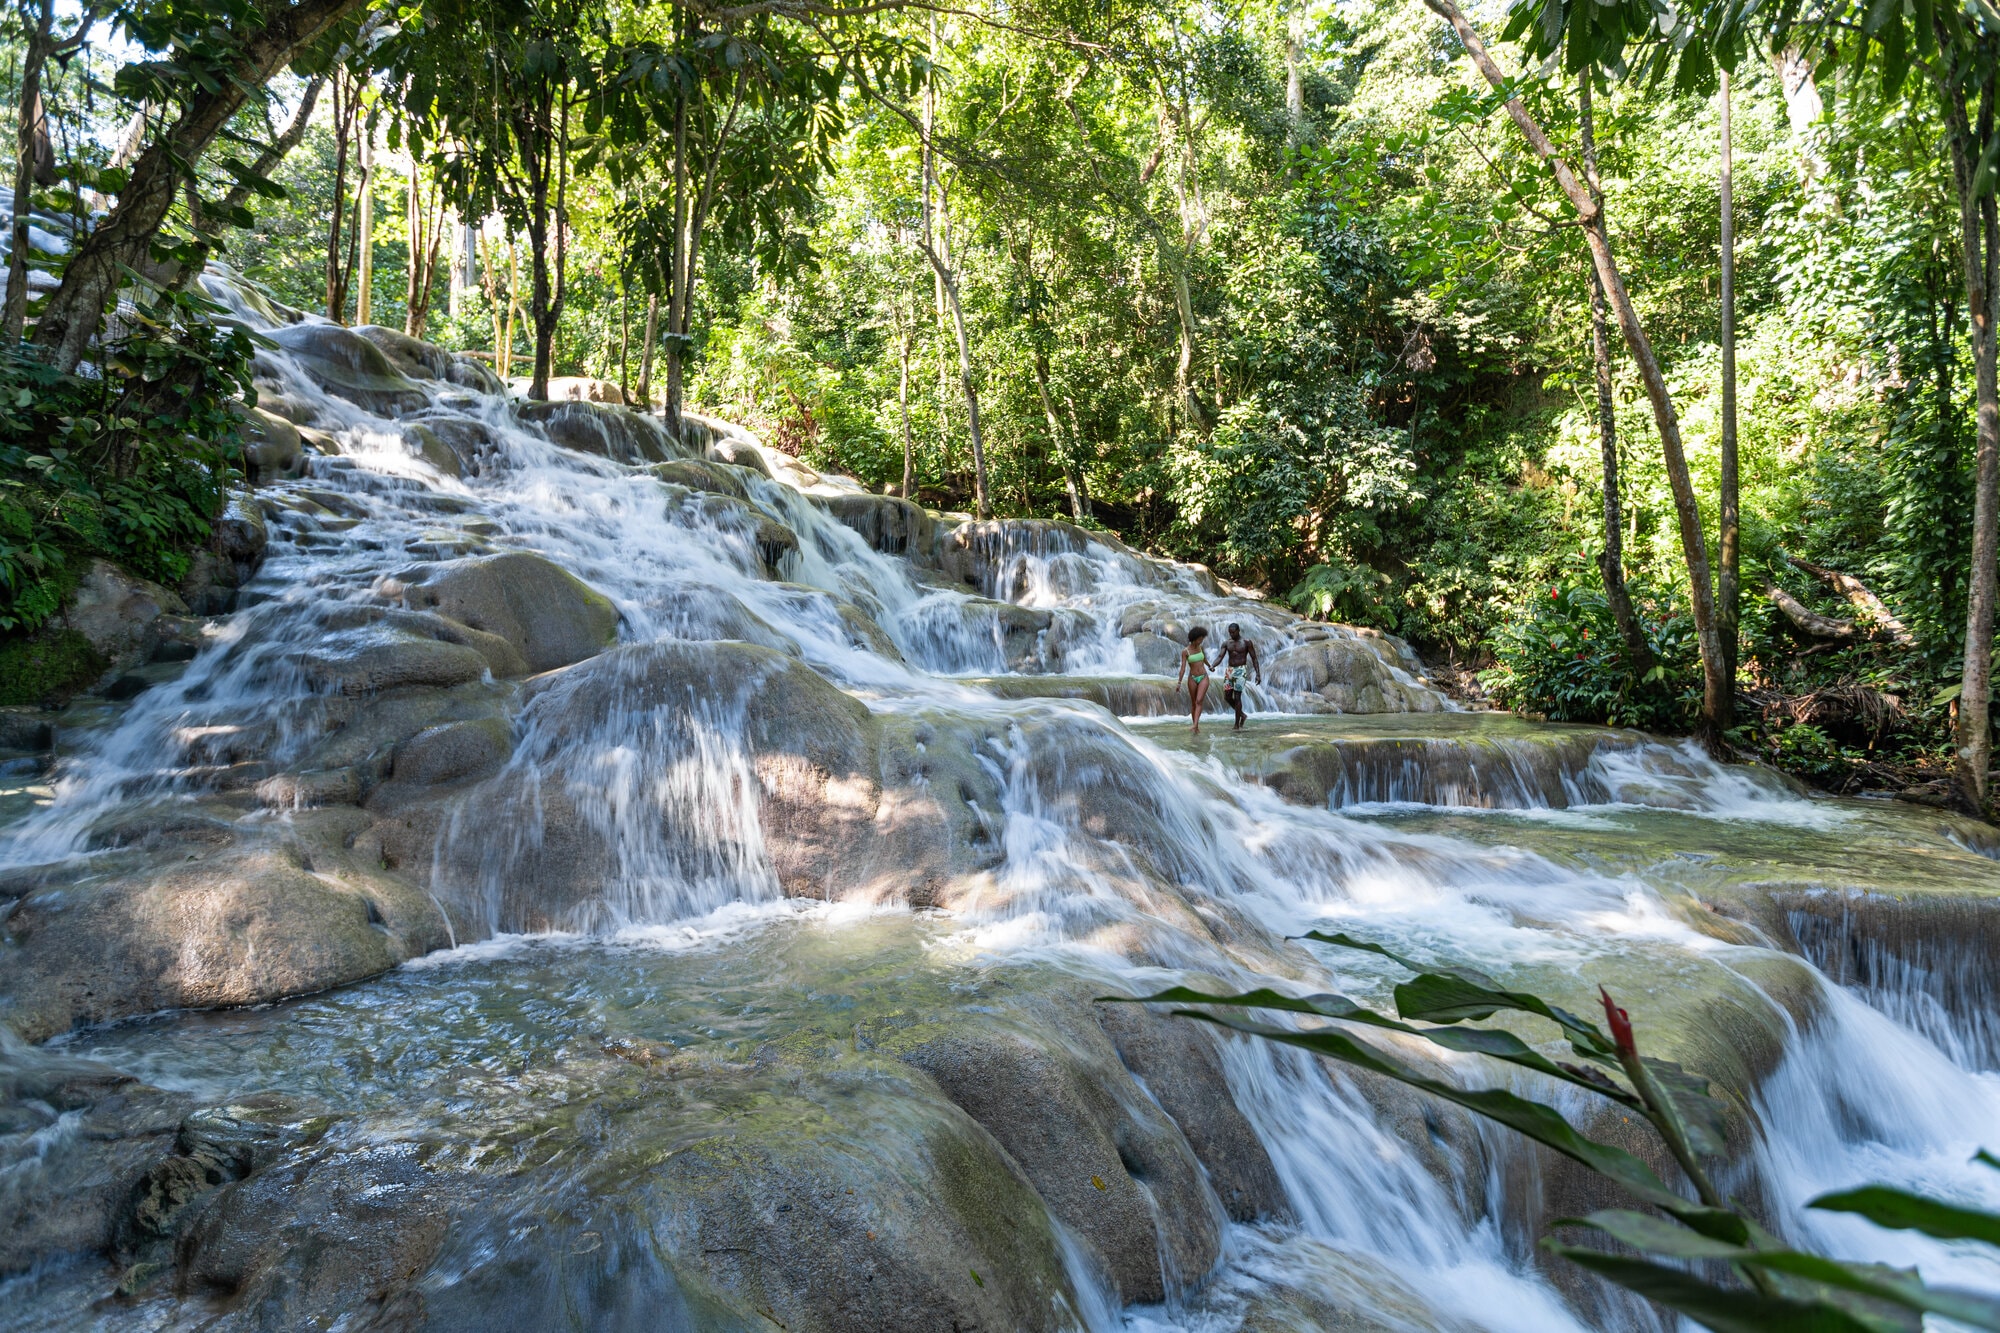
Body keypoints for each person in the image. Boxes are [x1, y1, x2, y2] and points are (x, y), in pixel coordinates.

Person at [1219, 623, 1262, 730]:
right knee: (1227, 696)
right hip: (1229, 670)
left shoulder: (1246, 642)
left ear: (1238, 631)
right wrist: (1212, 666)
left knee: (1237, 697)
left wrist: (1258, 674)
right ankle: (1242, 715)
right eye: (1230, 632)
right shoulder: (1226, 643)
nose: (1231, 634)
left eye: (1233, 632)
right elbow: (1220, 656)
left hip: (1241, 670)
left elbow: (1254, 658)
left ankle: (1236, 724)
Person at [1176, 626, 1214, 735]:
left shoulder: (1200, 648)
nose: (1201, 641)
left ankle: (1195, 725)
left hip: (1203, 677)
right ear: (1194, 638)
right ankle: (1195, 727)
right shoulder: (1185, 651)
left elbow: (1204, 659)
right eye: (1200, 639)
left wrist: (1210, 666)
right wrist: (1179, 683)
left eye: (1202, 639)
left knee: (1199, 701)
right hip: (1192, 678)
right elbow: (1183, 668)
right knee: (1193, 704)